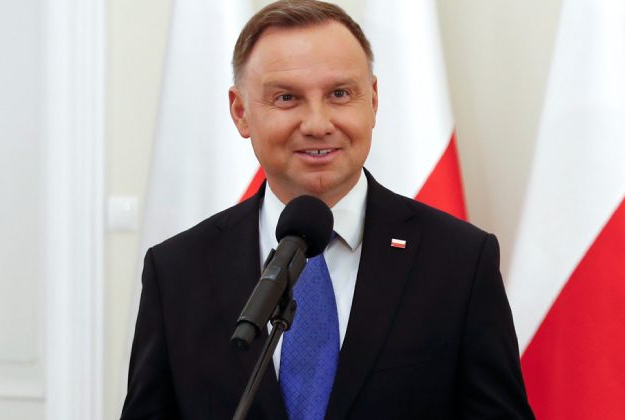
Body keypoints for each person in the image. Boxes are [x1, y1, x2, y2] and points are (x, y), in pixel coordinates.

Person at [121, 1, 534, 419]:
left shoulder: (459, 261)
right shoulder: (177, 272)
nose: (318, 124)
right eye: (287, 98)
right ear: (240, 112)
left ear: (373, 101)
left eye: (339, 94)